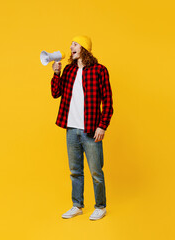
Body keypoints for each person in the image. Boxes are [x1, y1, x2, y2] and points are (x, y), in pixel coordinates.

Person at [50, 35, 113, 220]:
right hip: (71, 129)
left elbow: (108, 101)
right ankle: (77, 205)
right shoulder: (68, 70)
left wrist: (102, 126)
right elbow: (56, 93)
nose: (71, 46)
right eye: (71, 44)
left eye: (75, 43)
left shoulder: (99, 70)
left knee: (95, 171)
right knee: (75, 170)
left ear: (84, 48)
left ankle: (100, 206)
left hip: (91, 129)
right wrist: (56, 73)